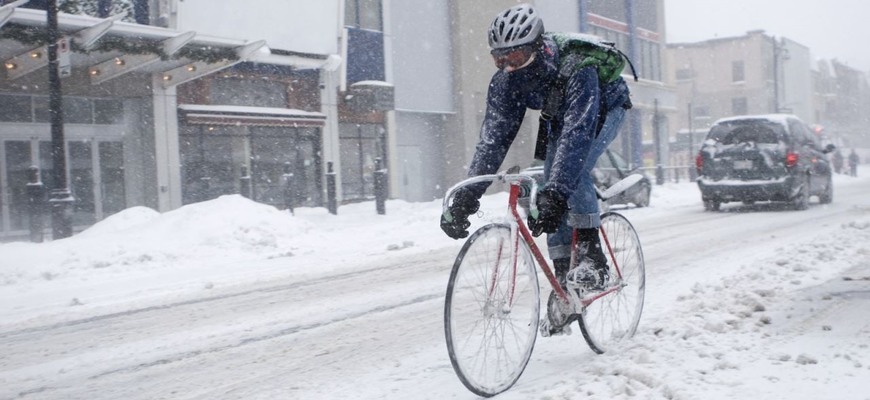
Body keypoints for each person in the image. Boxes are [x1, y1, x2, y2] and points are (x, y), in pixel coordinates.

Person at [440, 4, 632, 292]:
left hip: (604, 107)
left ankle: (593, 259)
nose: (508, 67)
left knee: (569, 175)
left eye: (515, 56)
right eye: (499, 58)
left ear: (537, 47)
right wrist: (467, 196)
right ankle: (564, 281)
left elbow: (577, 135)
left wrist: (557, 194)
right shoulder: (506, 83)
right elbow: (492, 141)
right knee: (547, 185)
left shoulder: (577, 67)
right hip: (560, 113)